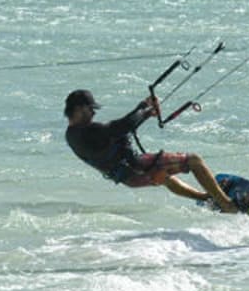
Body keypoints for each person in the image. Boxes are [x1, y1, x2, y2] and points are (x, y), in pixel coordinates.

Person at [63, 89, 237, 213]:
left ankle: (205, 197)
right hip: (139, 167)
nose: (93, 112)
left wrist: (146, 113)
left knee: (165, 178)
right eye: (91, 108)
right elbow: (123, 126)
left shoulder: (71, 135)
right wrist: (143, 107)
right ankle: (226, 204)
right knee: (193, 160)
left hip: (129, 178)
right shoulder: (89, 131)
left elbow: (119, 130)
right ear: (78, 109)